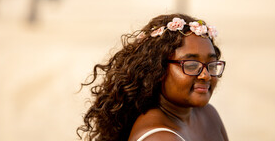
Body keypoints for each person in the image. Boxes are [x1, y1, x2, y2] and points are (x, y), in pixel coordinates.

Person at [77, 13, 228, 141]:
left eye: (212, 64)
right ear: (157, 69)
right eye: (191, 65)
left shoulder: (209, 114)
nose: (206, 75)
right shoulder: (158, 137)